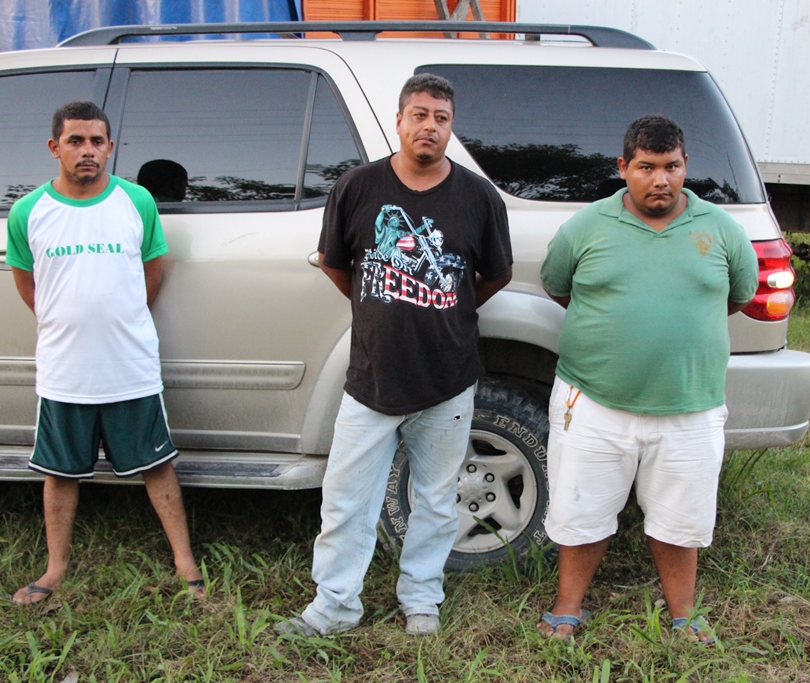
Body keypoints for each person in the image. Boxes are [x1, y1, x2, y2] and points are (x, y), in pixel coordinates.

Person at [276, 74, 513, 637]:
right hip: (371, 379)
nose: (430, 126)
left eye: (442, 118)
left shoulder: (478, 197)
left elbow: (495, 274)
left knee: (434, 500)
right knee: (345, 501)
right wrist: (381, 306)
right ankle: (333, 608)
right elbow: (337, 265)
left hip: (449, 379)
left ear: (450, 128)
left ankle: (421, 600)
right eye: (420, 114)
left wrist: (446, 310)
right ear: (400, 120)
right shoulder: (357, 187)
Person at [536, 114, 759, 643]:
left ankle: (683, 617)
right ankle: (566, 610)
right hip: (590, 401)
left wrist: (675, 325)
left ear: (686, 166)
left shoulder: (722, 230)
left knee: (682, 519)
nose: (660, 180)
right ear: (623, 168)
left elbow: (739, 296)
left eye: (671, 167)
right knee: (581, 510)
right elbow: (558, 286)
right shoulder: (585, 227)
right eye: (646, 167)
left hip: (691, 406)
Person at [5, 101, 204, 605]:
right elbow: (31, 288)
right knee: (60, 472)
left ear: (110, 147)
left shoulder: (137, 202)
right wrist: (69, 322)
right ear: (55, 148)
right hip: (63, 370)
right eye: (75, 141)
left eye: (97, 141)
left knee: (156, 466)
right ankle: (54, 570)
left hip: (129, 366)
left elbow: (150, 274)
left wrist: (118, 320)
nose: (87, 151)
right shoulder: (28, 212)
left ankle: (187, 567)